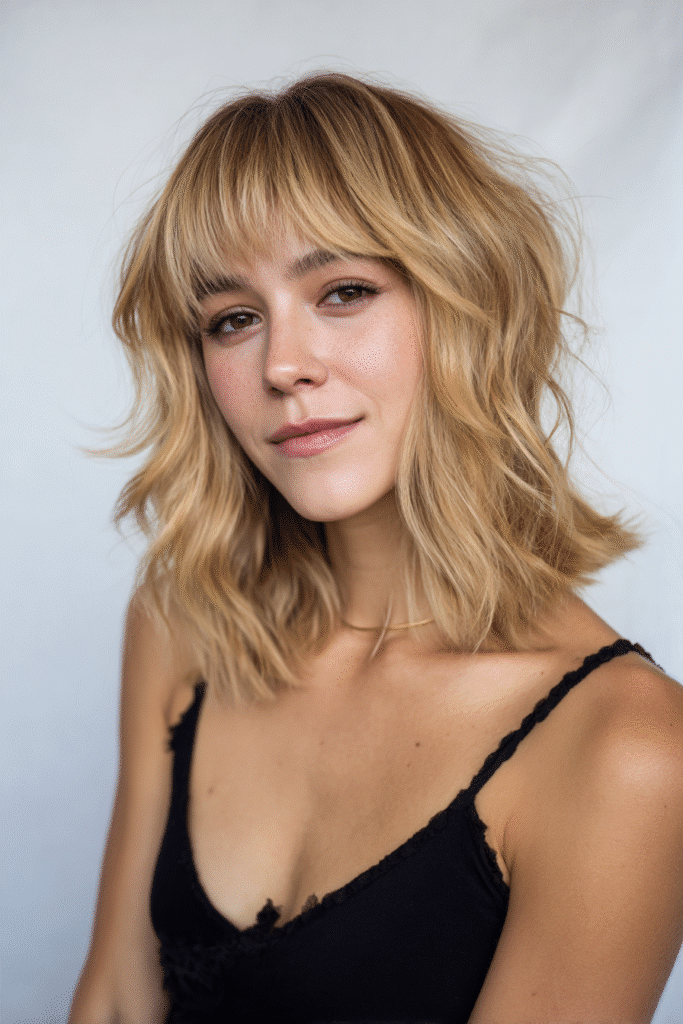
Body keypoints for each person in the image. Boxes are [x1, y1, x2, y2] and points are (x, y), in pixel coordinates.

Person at [69, 72, 683, 1024]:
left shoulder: (625, 749)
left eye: (343, 290)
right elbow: (113, 997)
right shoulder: (182, 620)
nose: (281, 364)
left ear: (467, 305)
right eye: (232, 318)